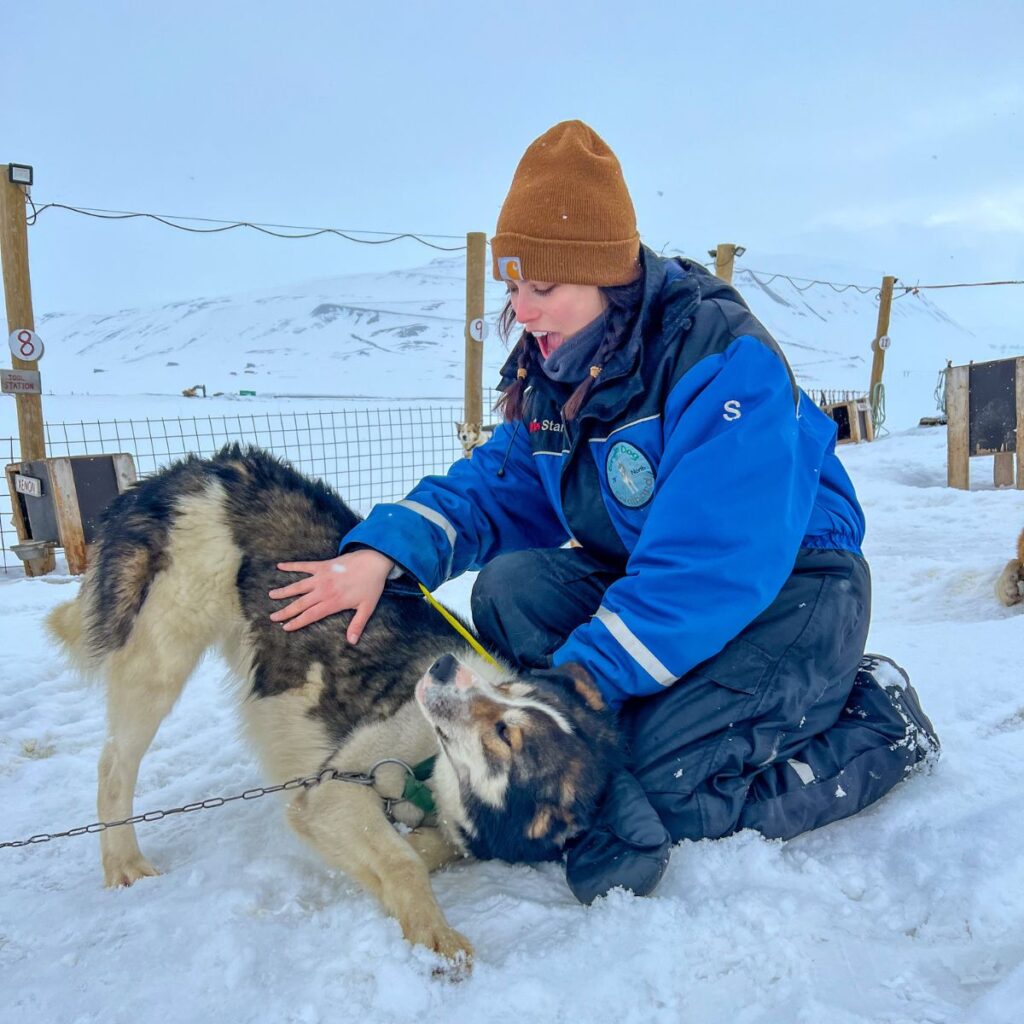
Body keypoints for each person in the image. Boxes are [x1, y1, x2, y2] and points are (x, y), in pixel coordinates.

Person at [268, 120, 939, 903]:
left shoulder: (721, 363)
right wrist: (385, 553)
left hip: (793, 591)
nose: (521, 310)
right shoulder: (563, 373)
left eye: (541, 288)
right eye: (512, 287)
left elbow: (707, 570)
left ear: (607, 277)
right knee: (508, 590)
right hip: (653, 578)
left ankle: (875, 721)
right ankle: (663, 702)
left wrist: (574, 689)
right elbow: (496, 485)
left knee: (665, 787)